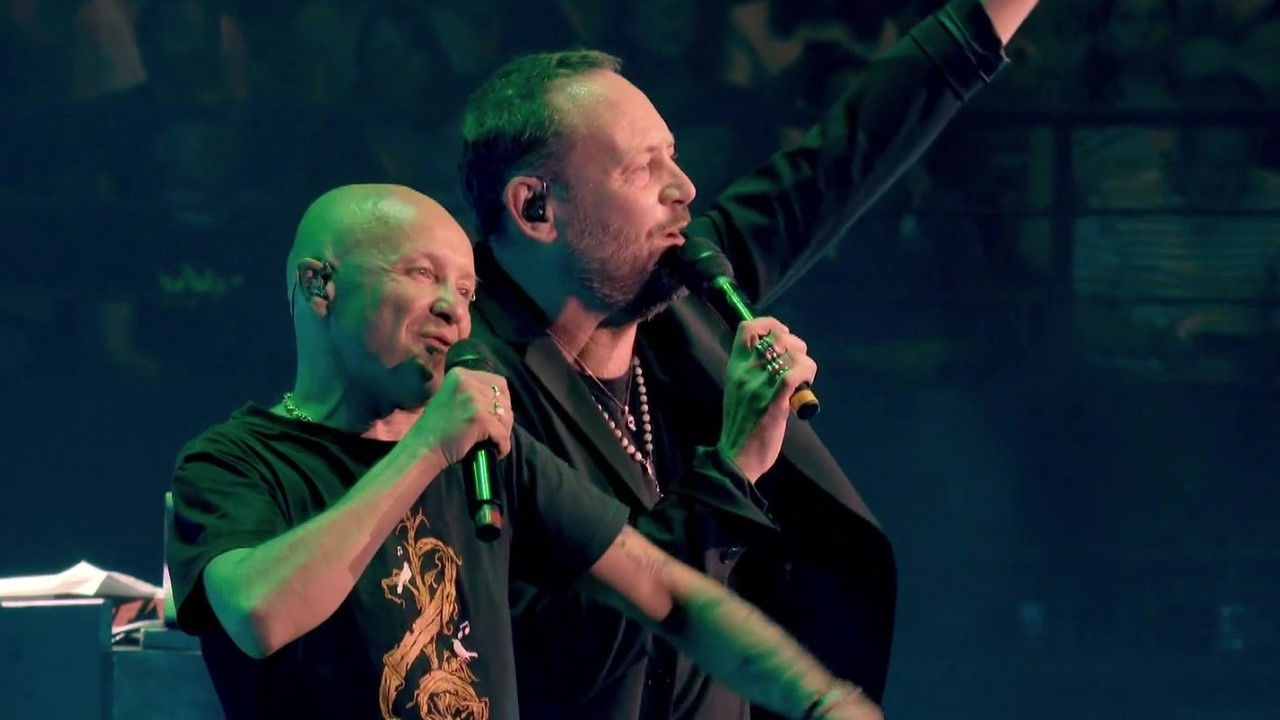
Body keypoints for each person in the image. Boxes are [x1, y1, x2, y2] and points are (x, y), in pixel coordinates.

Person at [456, 1, 1038, 718]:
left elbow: (840, 159)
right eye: (642, 168)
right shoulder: (466, 388)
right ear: (536, 209)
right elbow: (535, 663)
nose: (684, 187)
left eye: (672, 153)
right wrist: (731, 472)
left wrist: (985, 21)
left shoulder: (679, 290)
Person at [166, 183, 880, 720]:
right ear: (319, 285)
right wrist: (425, 449)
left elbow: (664, 589)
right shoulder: (234, 462)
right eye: (420, 273)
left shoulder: (494, 453)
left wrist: (818, 697)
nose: (453, 308)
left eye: (466, 290)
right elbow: (260, 614)